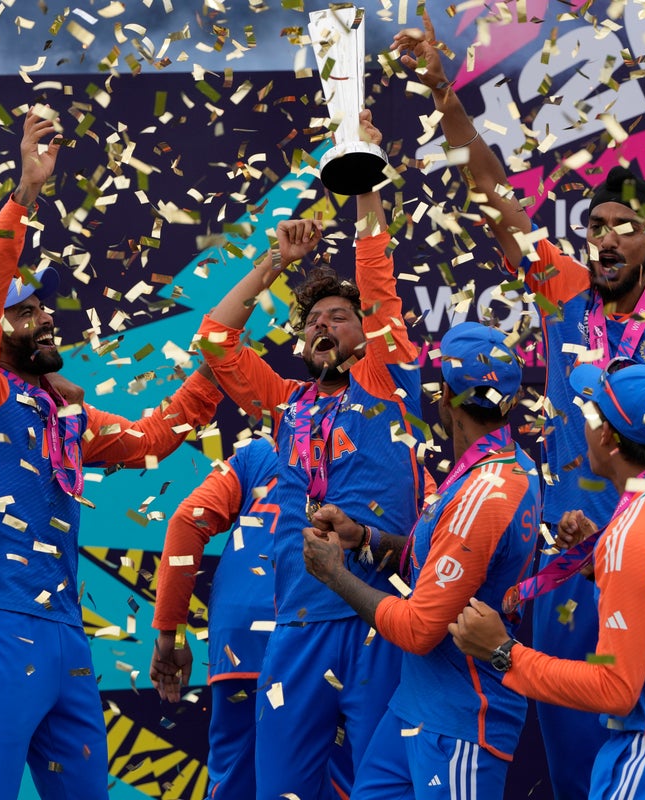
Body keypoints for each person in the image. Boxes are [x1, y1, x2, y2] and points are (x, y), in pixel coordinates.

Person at [392, 17, 645, 798]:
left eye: (622, 229)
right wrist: (441, 89)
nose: (603, 239)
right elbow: (492, 195)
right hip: (564, 562)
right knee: (574, 762)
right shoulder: (562, 292)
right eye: (594, 226)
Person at [0, 110, 223, 799]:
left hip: (66, 636)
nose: (41, 320)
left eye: (41, 309)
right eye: (23, 312)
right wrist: (27, 191)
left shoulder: (65, 416)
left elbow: (151, 439)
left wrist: (223, 364)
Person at [196, 111, 426, 799]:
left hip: (379, 615)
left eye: (339, 318)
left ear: (367, 334)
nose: (323, 325)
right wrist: (277, 262)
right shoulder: (287, 405)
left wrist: (363, 173)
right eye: (312, 321)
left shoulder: (387, 380)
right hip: (297, 622)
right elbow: (216, 341)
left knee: (385, 790)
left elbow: (376, 274)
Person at [450, 362, 645, 800]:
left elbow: (614, 690)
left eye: (590, 413)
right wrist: (601, 563)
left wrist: (503, 653)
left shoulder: (634, 533)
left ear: (607, 436)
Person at [301, 321, 539, 798]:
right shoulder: (499, 465)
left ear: (446, 396)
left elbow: (419, 630)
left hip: (460, 722)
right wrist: (363, 537)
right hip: (413, 709)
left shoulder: (486, 495)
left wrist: (334, 574)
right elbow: (435, 565)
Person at [150, 437, 281, 798]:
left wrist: (171, 634)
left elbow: (185, 521)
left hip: (237, 634)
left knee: (233, 785)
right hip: (314, 636)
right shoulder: (378, 452)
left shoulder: (260, 451)